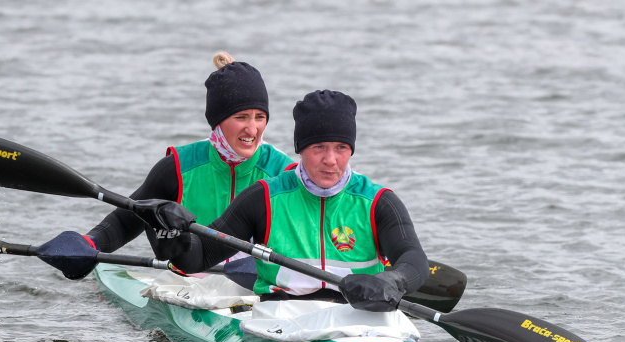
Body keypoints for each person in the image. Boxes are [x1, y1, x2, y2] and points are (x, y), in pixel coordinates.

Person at [144, 89, 429, 312]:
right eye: (319, 147)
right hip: (283, 317)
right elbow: (200, 256)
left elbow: (414, 260)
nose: (331, 160)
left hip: (359, 318)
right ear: (301, 149)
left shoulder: (378, 201)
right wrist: (171, 235)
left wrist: (392, 280)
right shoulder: (264, 198)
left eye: (341, 148)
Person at [35, 53, 295, 286]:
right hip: (187, 281)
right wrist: (89, 243)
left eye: (259, 117)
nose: (252, 129)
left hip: (255, 283)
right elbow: (128, 219)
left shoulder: (285, 172)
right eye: (241, 118)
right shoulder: (179, 167)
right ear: (217, 120)